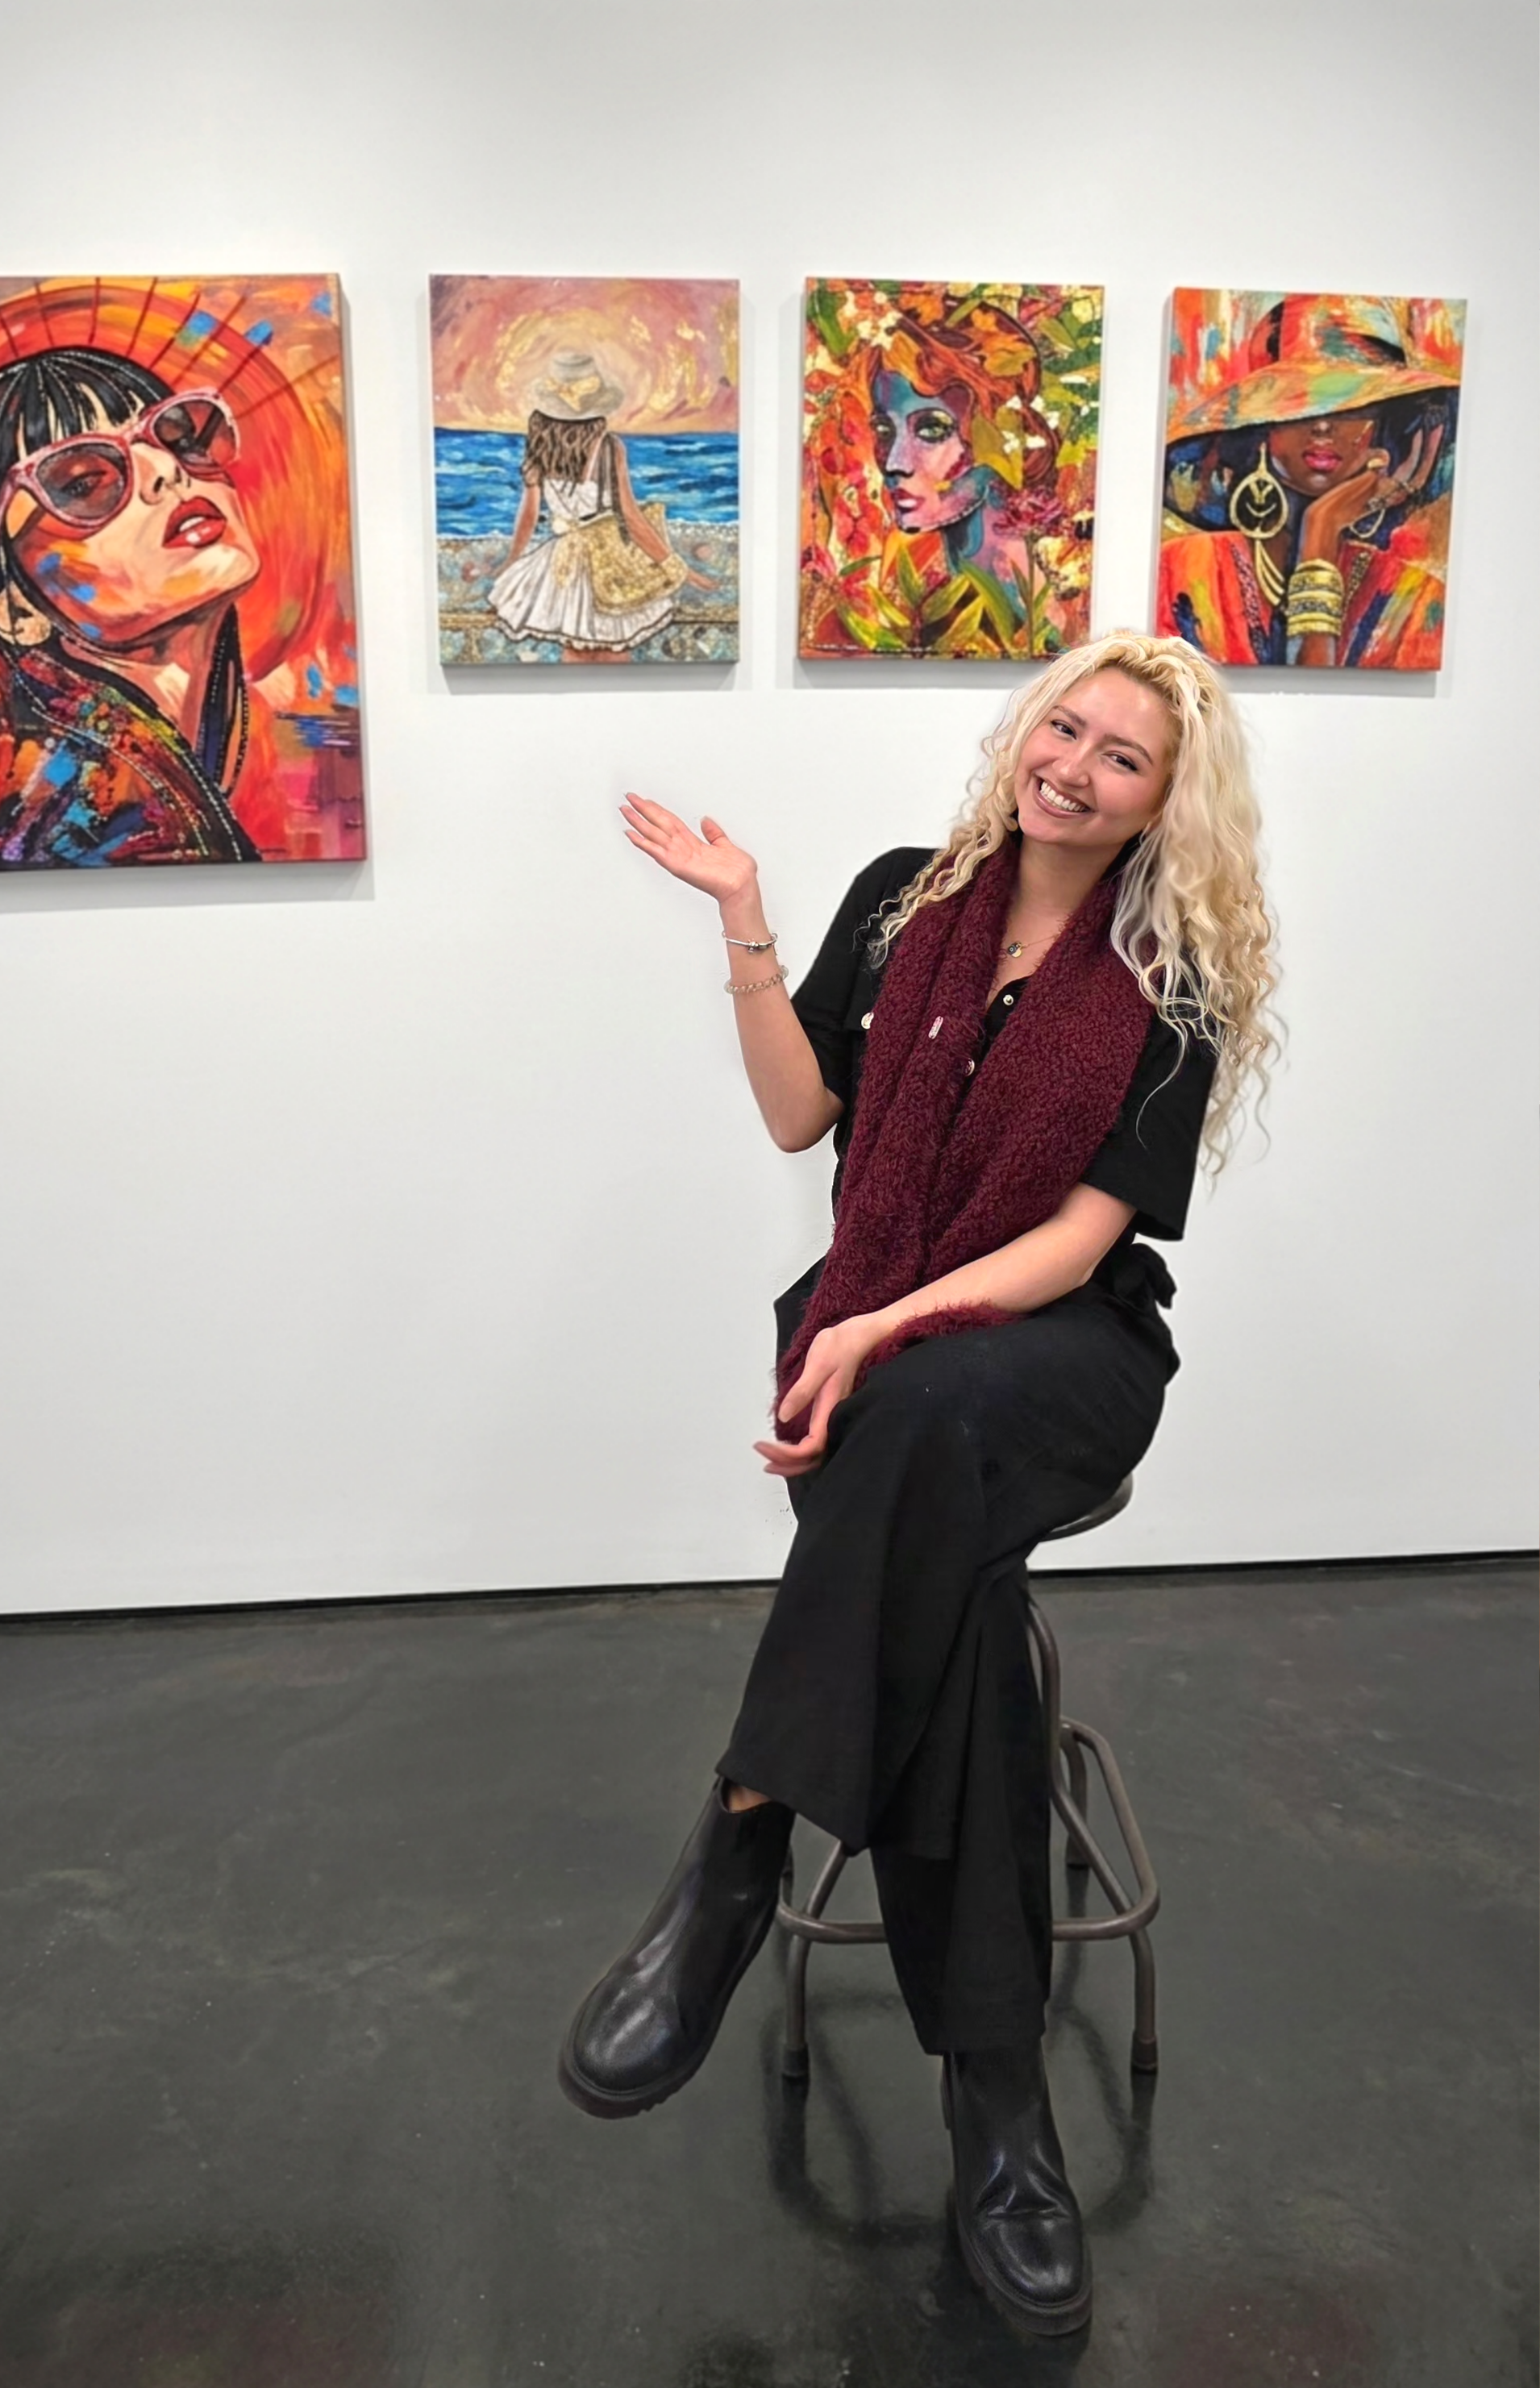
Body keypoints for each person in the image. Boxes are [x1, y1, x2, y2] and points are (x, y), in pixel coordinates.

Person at [560, 631, 1276, 2338]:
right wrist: (742, 917)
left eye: (1121, 757)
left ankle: (742, 1836)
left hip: (1056, 1351)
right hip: (879, 1351)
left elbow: (1076, 1245)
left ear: (1164, 803)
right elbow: (797, 1115)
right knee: (953, 1634)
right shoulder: (902, 898)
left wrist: (875, 1324)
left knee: (924, 1410)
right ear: (1028, 728)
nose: (1074, 767)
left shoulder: (1171, 974)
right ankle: (1001, 2113)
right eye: (1065, 728)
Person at [0, 347, 263, 871]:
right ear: (15, 607)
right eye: (84, 484)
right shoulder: (89, 823)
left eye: (180, 439)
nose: (167, 470)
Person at [1156, 295, 1458, 670]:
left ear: (1382, 425)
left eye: (1351, 406)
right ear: (1263, 425)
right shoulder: (1181, 569)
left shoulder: (1416, 602)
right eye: (1298, 405)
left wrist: (1321, 530)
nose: (1323, 425)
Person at [801, 298, 1080, 659]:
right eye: (884, 430)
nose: (895, 463)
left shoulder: (1035, 604)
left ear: (1000, 439)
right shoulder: (916, 568)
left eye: (932, 429)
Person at [486, 352, 706, 663]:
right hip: (608, 561)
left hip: (560, 562)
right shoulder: (609, 447)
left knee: (574, 647)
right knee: (613, 649)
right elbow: (631, 518)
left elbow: (529, 515)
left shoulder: (540, 446)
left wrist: (512, 559)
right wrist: (678, 569)